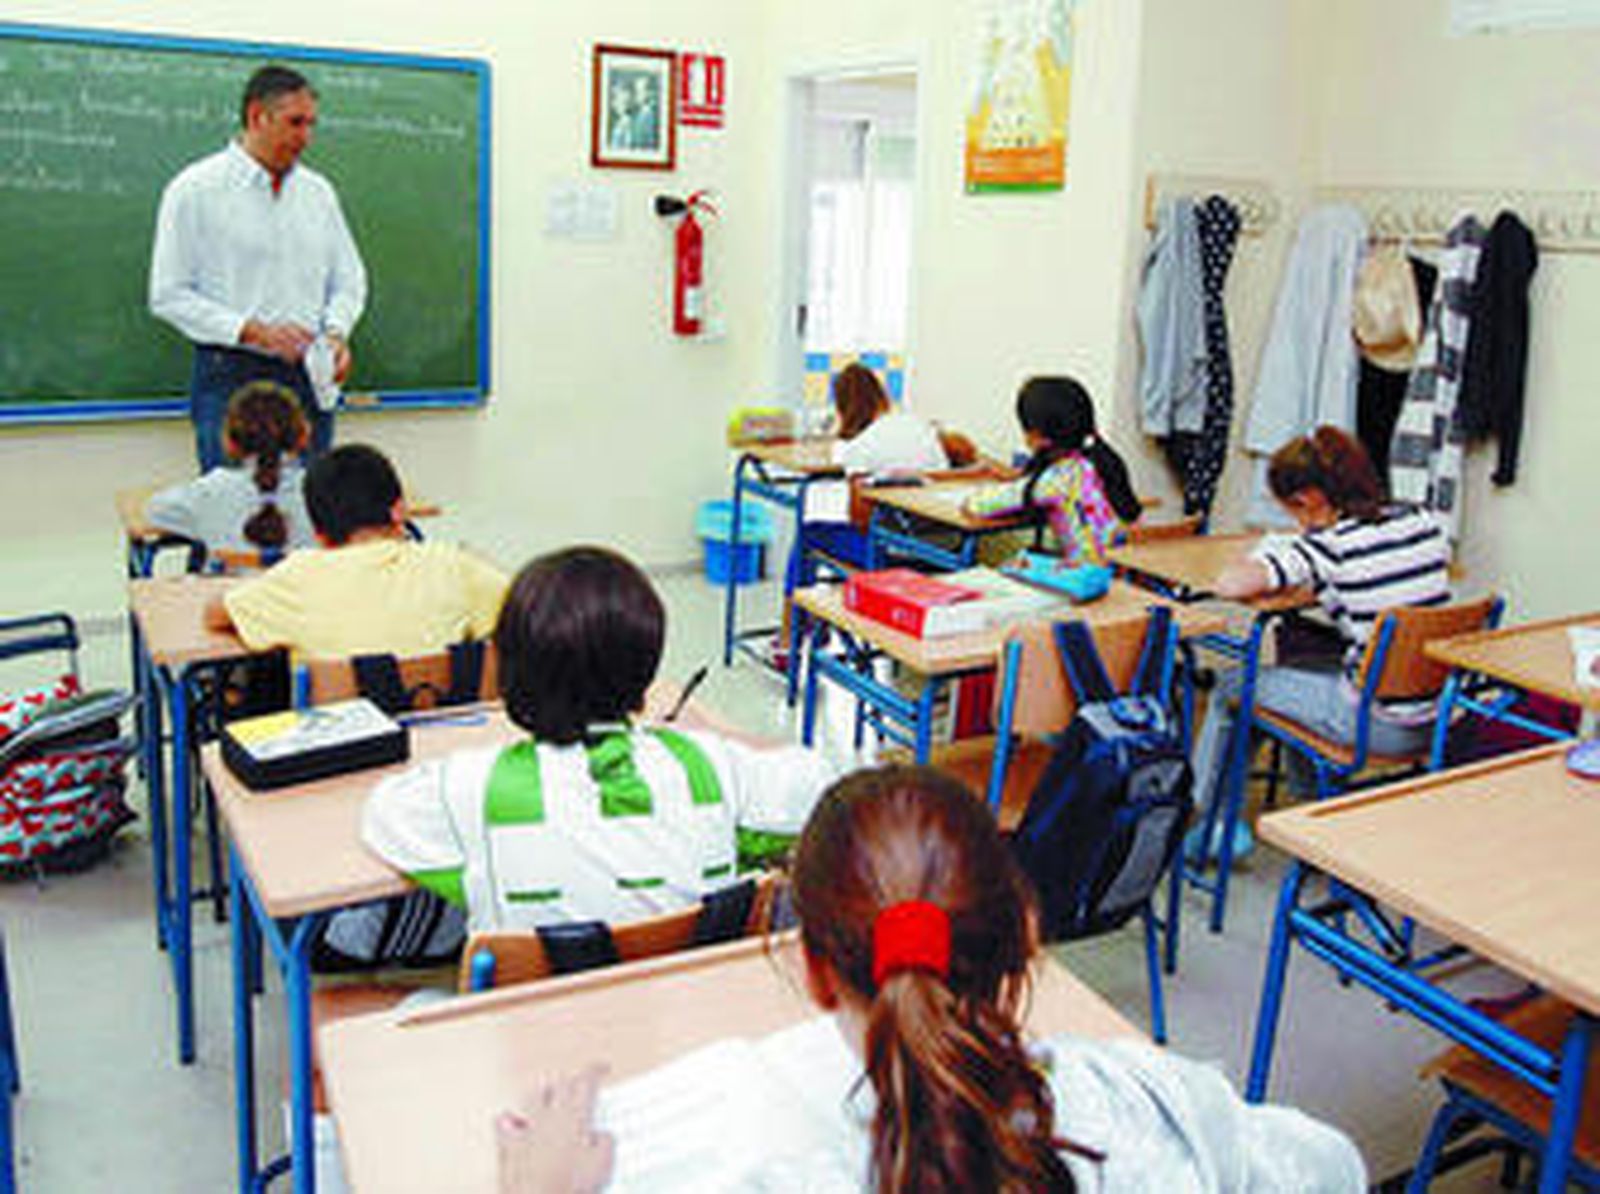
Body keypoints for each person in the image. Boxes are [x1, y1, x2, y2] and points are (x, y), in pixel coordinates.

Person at [495, 766, 1366, 1192]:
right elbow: (1335, 1169)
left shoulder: (690, 1143)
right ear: (1025, 938)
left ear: (814, 969)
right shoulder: (1150, 1103)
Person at [362, 545, 837, 932]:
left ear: (506, 667)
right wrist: (702, 744)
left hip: (528, 1035)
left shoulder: (467, 787)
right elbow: (822, 786)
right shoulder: (711, 769)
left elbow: (381, 815)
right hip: (688, 1023)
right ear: (647, 669)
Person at [1192, 425, 1452, 854]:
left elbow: (1229, 585)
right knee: (1288, 677)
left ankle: (1208, 822)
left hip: (1374, 724)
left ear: (1310, 501)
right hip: (1436, 717)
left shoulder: (1330, 547)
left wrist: (1272, 554)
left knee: (1232, 686)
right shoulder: (1422, 520)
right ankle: (1310, 809)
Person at [150, 64, 367, 471]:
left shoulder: (318, 193)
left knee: (313, 513)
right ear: (256, 117)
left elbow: (349, 279)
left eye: (312, 124)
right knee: (234, 516)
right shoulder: (195, 190)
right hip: (231, 375)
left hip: (309, 376)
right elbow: (168, 294)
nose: (306, 137)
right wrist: (256, 332)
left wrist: (337, 333)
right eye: (295, 123)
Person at [205, 443, 508, 658]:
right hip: (449, 742)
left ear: (319, 533)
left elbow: (215, 614)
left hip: (342, 745)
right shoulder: (451, 565)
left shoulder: (299, 576)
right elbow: (525, 604)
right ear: (400, 511)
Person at [963, 376, 1143, 566]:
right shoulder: (1103, 459)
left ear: (1037, 436)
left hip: (1088, 583)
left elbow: (978, 506)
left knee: (998, 551)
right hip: (1125, 573)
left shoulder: (1056, 480)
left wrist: (971, 497)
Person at [144, 380, 315, 560]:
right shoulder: (322, 492)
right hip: (307, 588)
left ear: (229, 443)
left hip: (232, 588)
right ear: (303, 435)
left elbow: (153, 511)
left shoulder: (210, 490)